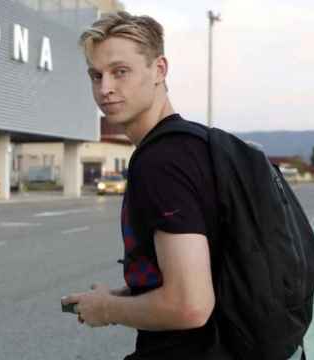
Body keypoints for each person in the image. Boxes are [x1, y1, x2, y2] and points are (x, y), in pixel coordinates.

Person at [61, 11, 233, 360]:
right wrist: (120, 296)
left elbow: (190, 305)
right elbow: (208, 267)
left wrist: (106, 311)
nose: (104, 88)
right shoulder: (199, 145)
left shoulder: (160, 162)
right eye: (96, 75)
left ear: (159, 70)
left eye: (120, 72)